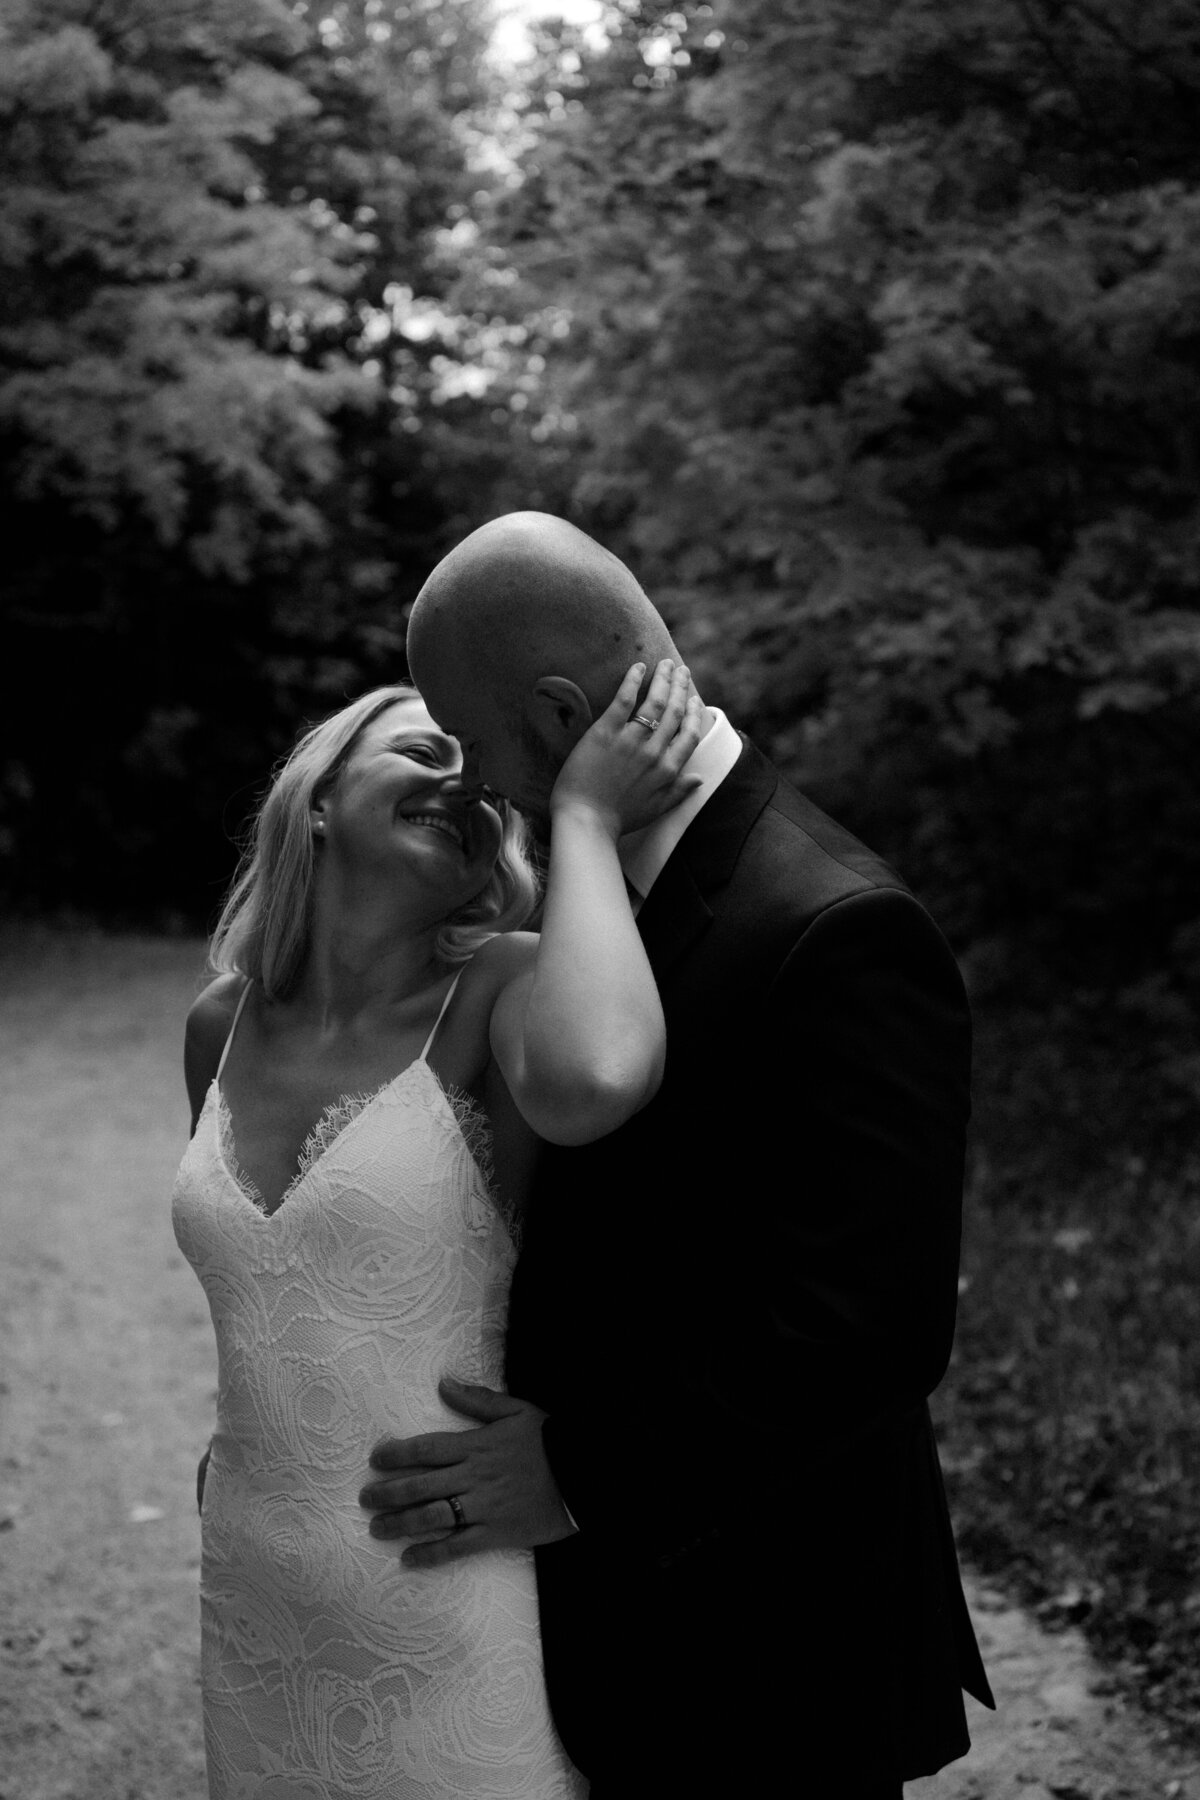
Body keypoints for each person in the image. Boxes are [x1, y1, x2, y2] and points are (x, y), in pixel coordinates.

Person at [358, 512, 995, 1799]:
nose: (472, 786)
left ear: (551, 714)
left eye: (473, 743)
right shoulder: (565, 882)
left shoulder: (835, 924)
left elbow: (869, 1325)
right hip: (602, 1629)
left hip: (768, 1641)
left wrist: (576, 1472)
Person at [173, 664, 705, 1799]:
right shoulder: (216, 1024)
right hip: (255, 1585)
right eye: (424, 752)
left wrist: (588, 816)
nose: (466, 783)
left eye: (489, 785)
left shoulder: (502, 990)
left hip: (445, 1586)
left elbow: (603, 1074)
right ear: (317, 795)